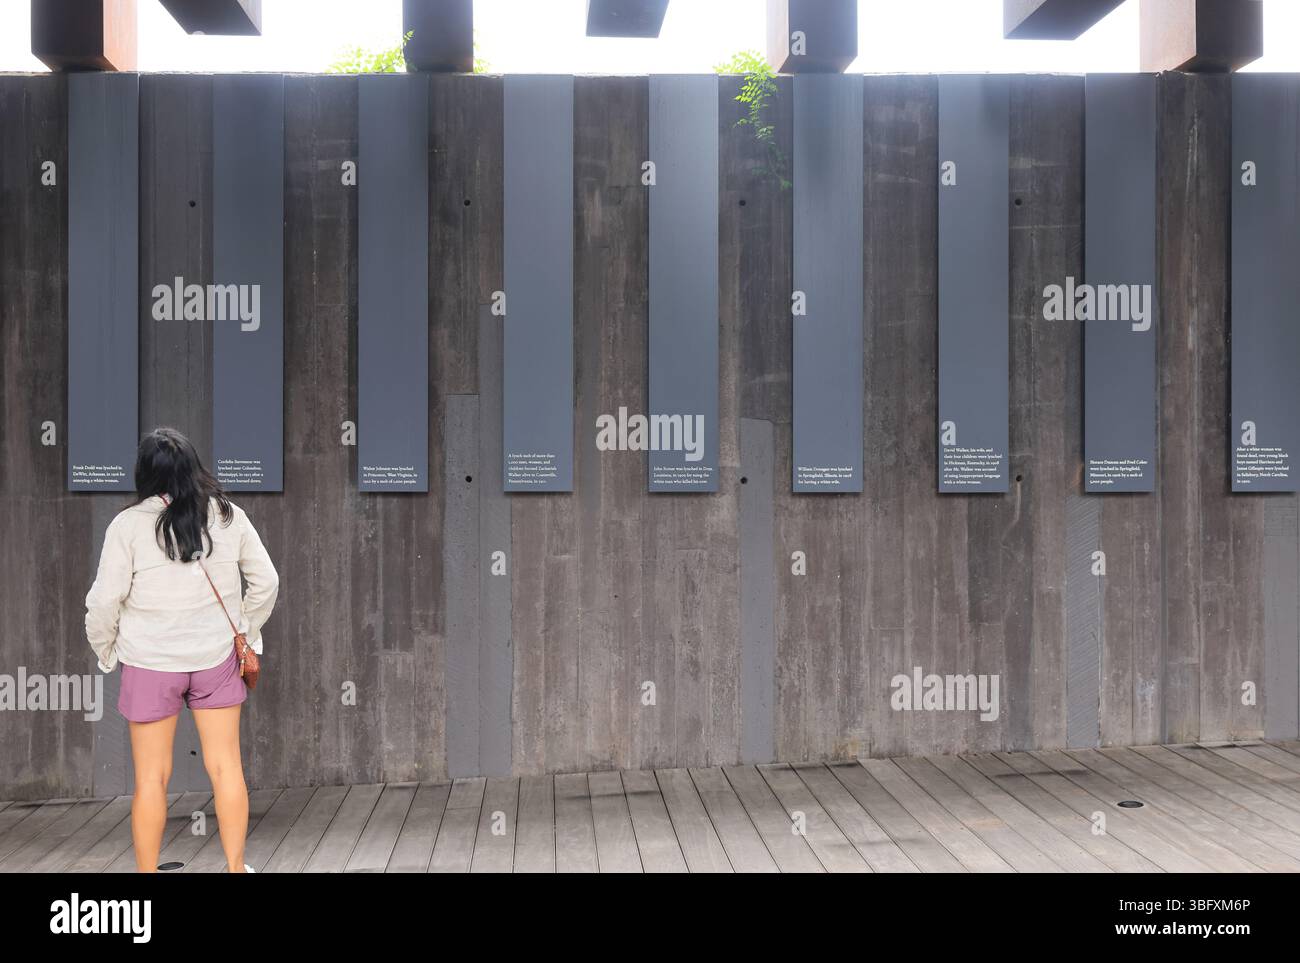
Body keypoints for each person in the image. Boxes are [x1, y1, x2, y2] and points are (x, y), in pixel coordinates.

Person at [84, 427, 279, 873]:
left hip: (150, 663)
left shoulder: (128, 526)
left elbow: (103, 602)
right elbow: (267, 581)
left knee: (151, 778)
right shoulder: (228, 515)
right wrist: (245, 629)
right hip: (216, 660)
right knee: (226, 768)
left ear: (144, 473)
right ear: (193, 466)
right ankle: (236, 868)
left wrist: (106, 649)